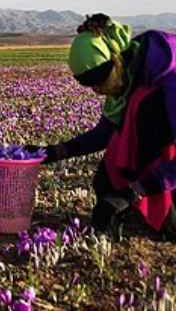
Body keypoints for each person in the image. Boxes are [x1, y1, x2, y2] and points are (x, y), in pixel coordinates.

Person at [33, 15, 176, 230]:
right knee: (105, 182)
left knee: (146, 105)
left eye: (100, 79)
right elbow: (105, 133)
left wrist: (135, 190)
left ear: (115, 58)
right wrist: (54, 152)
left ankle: (162, 205)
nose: (98, 90)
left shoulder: (168, 81)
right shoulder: (128, 71)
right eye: (88, 83)